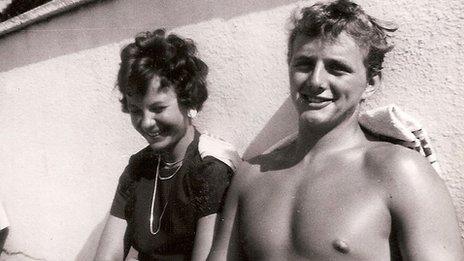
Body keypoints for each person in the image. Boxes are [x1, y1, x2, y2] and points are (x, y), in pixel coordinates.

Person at [207, 0, 464, 260]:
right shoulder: (251, 175)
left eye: (337, 68)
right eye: (304, 64)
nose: (316, 81)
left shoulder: (400, 171)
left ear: (371, 83)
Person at [95, 29, 239, 261]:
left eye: (158, 108)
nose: (146, 123)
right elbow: (107, 255)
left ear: (187, 99)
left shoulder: (210, 169)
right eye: (135, 110)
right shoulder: (138, 167)